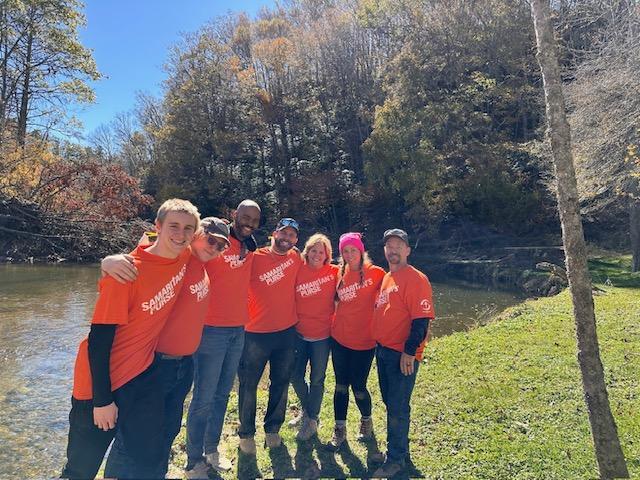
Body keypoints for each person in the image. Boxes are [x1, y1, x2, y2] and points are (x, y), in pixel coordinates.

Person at [60, 199, 199, 479]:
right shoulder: (125, 272)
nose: (180, 234)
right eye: (173, 226)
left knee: (144, 456)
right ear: (157, 226)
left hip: (140, 378)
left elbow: (214, 239)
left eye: (188, 229)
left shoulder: (183, 256)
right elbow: (98, 340)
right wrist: (102, 401)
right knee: (80, 470)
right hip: (98, 385)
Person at [98, 217, 231, 479]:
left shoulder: (203, 267)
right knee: (134, 435)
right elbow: (145, 253)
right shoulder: (177, 257)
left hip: (184, 365)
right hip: (155, 364)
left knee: (168, 430)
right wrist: (109, 262)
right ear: (195, 234)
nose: (214, 247)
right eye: (210, 240)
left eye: (221, 245)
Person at [186, 200, 260, 477]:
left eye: (254, 220)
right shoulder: (214, 240)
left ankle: (211, 450)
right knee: (203, 398)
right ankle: (193, 461)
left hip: (238, 331)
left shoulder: (249, 247)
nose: (249, 223)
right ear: (234, 215)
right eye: (245, 217)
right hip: (210, 331)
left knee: (221, 395)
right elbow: (178, 246)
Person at [371, 229, 435, 478]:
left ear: (408, 250)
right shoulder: (388, 277)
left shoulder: (416, 279)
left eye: (398, 246)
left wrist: (409, 352)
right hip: (384, 352)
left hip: (401, 356)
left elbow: (421, 321)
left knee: (397, 407)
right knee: (392, 405)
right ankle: (401, 451)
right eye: (389, 246)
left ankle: (395, 459)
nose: (393, 250)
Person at [237, 217, 303, 454]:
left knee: (281, 383)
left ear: (296, 240)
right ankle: (246, 434)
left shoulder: (296, 258)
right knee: (248, 385)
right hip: (254, 333)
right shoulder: (255, 257)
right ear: (274, 234)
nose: (286, 238)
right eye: (283, 233)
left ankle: (273, 429)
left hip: (286, 333)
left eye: (291, 235)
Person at [329, 232, 386, 449]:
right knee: (340, 386)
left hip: (365, 342)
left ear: (361, 251)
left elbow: (393, 296)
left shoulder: (377, 273)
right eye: (345, 251)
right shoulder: (338, 273)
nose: (350, 254)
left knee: (359, 387)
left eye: (353, 250)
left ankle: (366, 421)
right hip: (339, 339)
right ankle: (339, 429)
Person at [289, 233, 339, 441]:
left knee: (317, 379)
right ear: (307, 251)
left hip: (322, 336)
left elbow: (357, 278)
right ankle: (307, 410)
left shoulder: (335, 272)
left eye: (322, 252)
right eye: (314, 250)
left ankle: (312, 419)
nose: (317, 255)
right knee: (295, 376)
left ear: (327, 255)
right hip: (299, 334)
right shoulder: (297, 269)